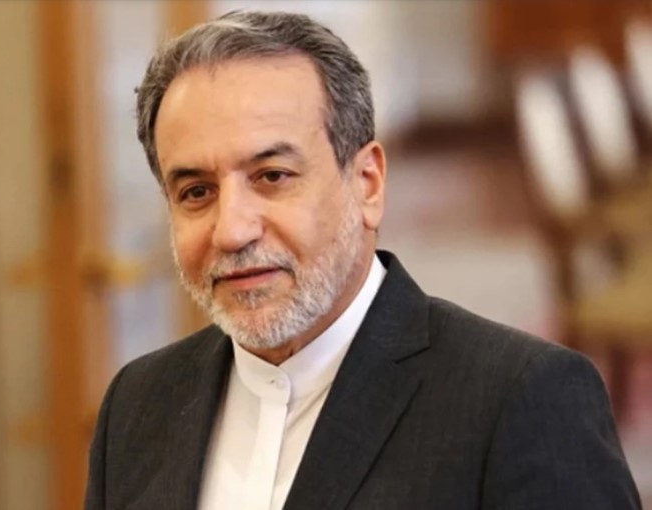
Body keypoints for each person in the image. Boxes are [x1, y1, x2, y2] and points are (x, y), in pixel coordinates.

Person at [85, 10, 640, 510]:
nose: (231, 230)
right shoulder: (137, 405)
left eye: (272, 176)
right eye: (196, 192)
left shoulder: (521, 401)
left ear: (367, 184)